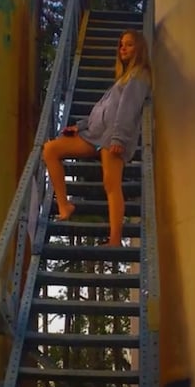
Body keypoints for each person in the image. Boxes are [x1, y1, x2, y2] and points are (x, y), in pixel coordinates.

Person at [41, 28, 153, 247]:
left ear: (140, 47)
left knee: (111, 184)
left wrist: (119, 139)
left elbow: (128, 109)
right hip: (93, 135)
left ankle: (115, 239)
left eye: (129, 44)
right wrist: (79, 126)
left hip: (112, 137)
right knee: (50, 150)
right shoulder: (122, 78)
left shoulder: (140, 75)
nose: (123, 48)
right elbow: (102, 109)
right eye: (121, 45)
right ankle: (64, 205)